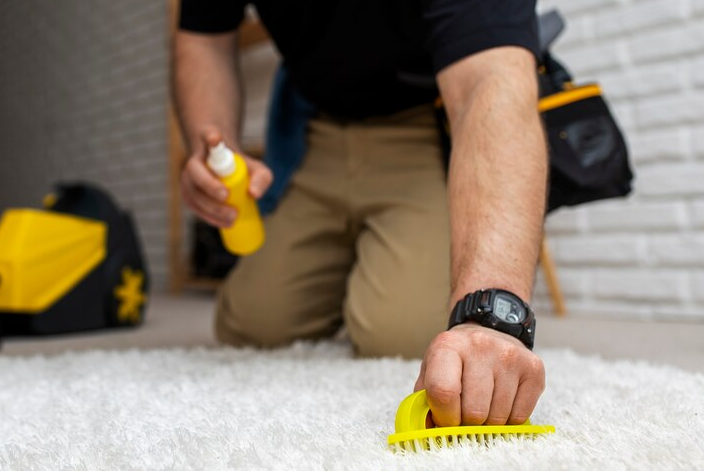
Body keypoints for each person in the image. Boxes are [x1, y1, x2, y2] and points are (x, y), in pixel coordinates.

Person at [174, 0, 547, 428]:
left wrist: (490, 314)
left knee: (397, 332)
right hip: (313, 130)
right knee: (249, 323)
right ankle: (364, 257)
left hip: (428, 125)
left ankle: (394, 256)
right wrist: (212, 146)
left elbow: (490, 80)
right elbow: (204, 39)